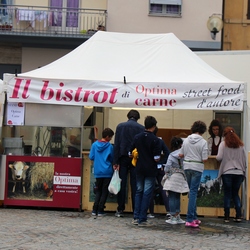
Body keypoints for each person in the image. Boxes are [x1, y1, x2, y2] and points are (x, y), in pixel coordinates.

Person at [129, 116, 161, 226]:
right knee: (147, 193)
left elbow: (130, 153)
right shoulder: (156, 140)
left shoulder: (137, 137)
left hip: (139, 168)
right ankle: (142, 218)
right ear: (154, 126)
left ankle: (136, 216)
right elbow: (156, 158)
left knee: (138, 192)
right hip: (150, 169)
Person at [113, 109, 144, 217]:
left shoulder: (120, 126)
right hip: (135, 159)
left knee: (121, 183)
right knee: (135, 184)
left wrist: (115, 161)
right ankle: (136, 209)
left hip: (122, 158)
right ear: (137, 118)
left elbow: (116, 145)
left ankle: (120, 209)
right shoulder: (141, 128)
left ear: (128, 116)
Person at [179, 120, 208, 228]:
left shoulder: (186, 140)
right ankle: (190, 218)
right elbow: (204, 159)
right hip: (197, 167)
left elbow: (181, 154)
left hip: (187, 166)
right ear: (202, 130)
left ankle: (194, 217)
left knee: (191, 192)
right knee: (193, 193)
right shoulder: (203, 142)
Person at [216, 126, 246, 223]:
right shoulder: (241, 145)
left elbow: (219, 158)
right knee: (235, 194)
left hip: (227, 172)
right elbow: (244, 160)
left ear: (224, 135)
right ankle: (238, 215)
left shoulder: (223, 144)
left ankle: (227, 216)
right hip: (239, 172)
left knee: (227, 194)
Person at [89, 128, 115, 216]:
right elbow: (112, 158)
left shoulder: (94, 145)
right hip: (107, 171)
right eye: (111, 137)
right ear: (107, 136)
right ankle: (100, 210)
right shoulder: (110, 146)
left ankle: (94, 209)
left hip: (98, 171)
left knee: (98, 190)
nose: (111, 139)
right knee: (104, 191)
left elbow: (91, 156)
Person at [163, 136, 188, 224]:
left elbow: (167, 167)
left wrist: (165, 170)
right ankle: (178, 216)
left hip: (172, 177)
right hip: (181, 177)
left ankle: (172, 216)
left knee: (172, 197)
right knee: (177, 197)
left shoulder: (171, 155)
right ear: (181, 144)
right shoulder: (184, 155)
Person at [148, 126, 170, 219]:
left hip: (149, 167)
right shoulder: (160, 141)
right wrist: (161, 163)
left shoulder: (147, 141)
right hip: (159, 167)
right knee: (163, 189)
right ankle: (168, 210)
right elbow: (167, 153)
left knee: (150, 189)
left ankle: (151, 211)